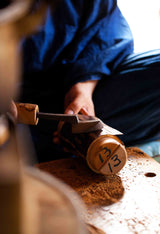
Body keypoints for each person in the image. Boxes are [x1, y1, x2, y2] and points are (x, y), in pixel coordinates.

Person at [15, 0, 160, 162]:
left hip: (80, 89)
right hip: (12, 111)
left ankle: (77, 140)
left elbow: (104, 29)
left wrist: (83, 88)